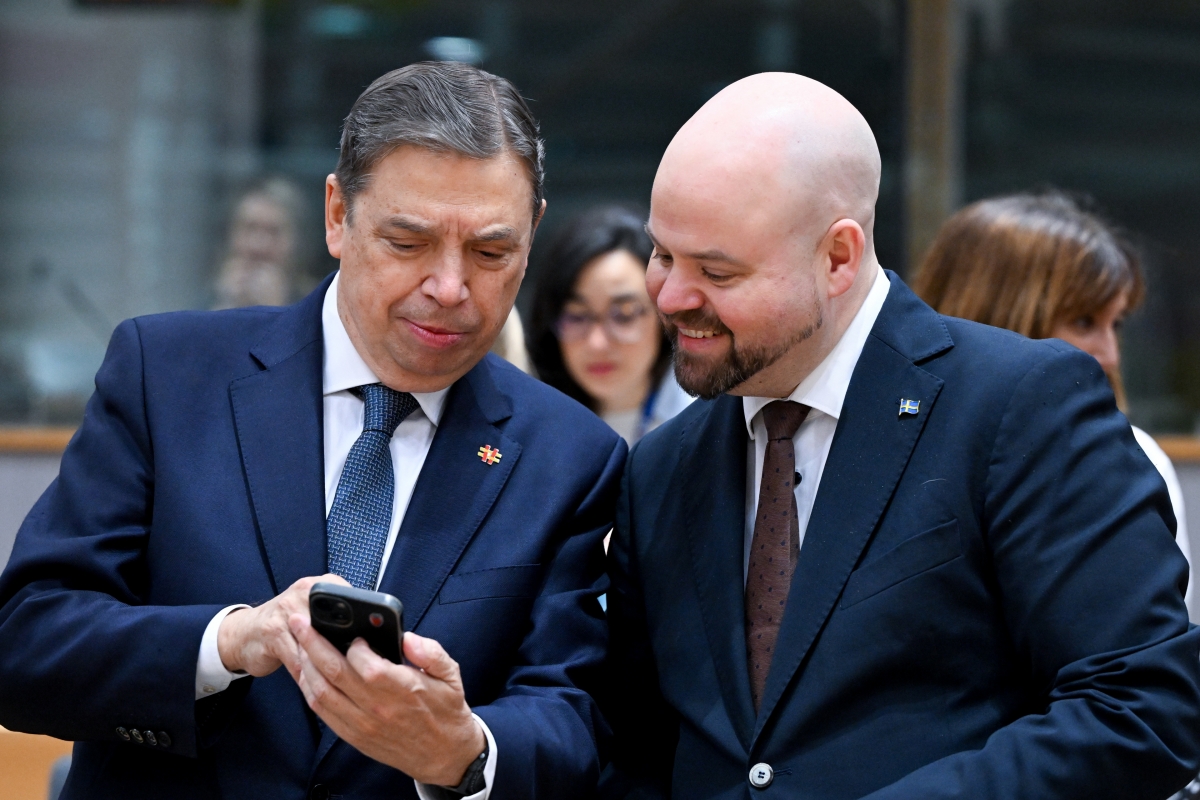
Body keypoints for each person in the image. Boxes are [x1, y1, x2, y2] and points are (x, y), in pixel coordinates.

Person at [0, 62, 624, 800]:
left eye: (491, 253)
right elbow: (27, 643)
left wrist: (464, 751)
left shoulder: (571, 458)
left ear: (532, 235)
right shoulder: (167, 376)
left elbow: (580, 721)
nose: (451, 287)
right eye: (408, 242)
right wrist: (229, 642)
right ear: (337, 215)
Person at [602, 72, 1200, 800]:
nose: (668, 297)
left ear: (839, 258)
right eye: (662, 254)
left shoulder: (1020, 405)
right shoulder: (661, 468)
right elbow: (637, 752)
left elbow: (1140, 706)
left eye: (717, 271)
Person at [912, 191, 1193, 614]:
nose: (1112, 355)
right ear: (996, 316)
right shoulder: (872, 442)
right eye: (1083, 321)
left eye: (1115, 323)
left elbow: (1143, 654)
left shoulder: (1131, 459)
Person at [528, 206, 692, 444]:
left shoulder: (706, 420)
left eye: (624, 315)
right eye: (576, 316)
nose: (597, 343)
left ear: (664, 314)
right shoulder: (532, 431)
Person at [213, 176, 305, 309]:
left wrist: (275, 310)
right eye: (250, 228)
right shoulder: (206, 298)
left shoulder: (317, 305)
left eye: (274, 232)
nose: (258, 246)